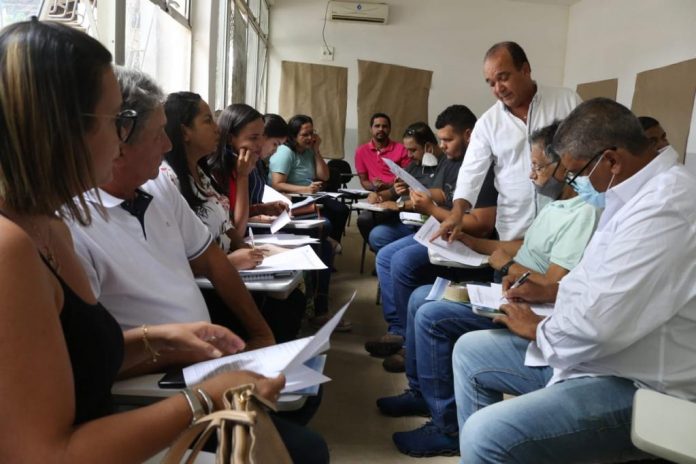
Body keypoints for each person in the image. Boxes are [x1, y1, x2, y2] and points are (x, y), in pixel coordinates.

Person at [0, 19, 293, 463]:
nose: (124, 141)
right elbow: (45, 453)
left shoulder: (51, 228)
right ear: (64, 128)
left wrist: (159, 337)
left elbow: (79, 362)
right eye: (117, 121)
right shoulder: (11, 248)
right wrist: (206, 397)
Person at [452, 98, 696, 463]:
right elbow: (600, 281)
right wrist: (552, 291)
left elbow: (600, 325)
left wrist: (539, 330)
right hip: (597, 353)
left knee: (487, 435)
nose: (575, 183)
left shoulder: (667, 206)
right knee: (470, 352)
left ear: (611, 160)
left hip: (641, 383)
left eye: (578, 173)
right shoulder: (631, 192)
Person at [378, 122, 601, 457]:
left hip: (526, 303)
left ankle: (448, 429)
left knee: (432, 315)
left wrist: (504, 264)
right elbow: (518, 246)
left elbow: (555, 284)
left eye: (538, 167)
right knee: (417, 297)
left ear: (564, 165)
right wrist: (470, 240)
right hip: (507, 287)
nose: (532, 175)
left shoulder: (584, 212)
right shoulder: (557, 206)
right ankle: (421, 392)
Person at [69, 68, 276, 350]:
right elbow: (90, 359)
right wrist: (197, 355)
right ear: (120, 142)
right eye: (158, 136)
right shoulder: (71, 222)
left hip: (197, 357)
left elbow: (214, 262)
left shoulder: (159, 187)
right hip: (153, 379)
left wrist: (261, 335)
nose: (167, 145)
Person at [162, 94, 305, 343]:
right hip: (208, 283)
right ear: (185, 131)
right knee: (282, 309)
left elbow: (228, 227)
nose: (216, 127)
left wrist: (244, 248)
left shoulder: (202, 174)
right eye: (207, 120)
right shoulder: (170, 179)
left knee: (292, 300)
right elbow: (178, 256)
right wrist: (230, 259)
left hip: (229, 269)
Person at [366, 105, 497, 371]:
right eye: (441, 139)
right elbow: (447, 197)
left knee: (401, 261)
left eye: (448, 139)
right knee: (386, 255)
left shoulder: (481, 166)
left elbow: (480, 226)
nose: (442, 146)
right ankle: (400, 330)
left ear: (469, 135)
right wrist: (421, 197)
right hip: (446, 228)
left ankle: (408, 344)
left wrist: (429, 208)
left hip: (468, 239)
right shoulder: (453, 161)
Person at [436, 41, 581, 245]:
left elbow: (587, 156)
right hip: (514, 231)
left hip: (565, 227)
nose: (498, 89)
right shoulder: (488, 123)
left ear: (525, 69)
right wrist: (457, 212)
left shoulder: (566, 101)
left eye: (503, 78)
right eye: (491, 83)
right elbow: (471, 173)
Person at [269, 114, 350, 246]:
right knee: (327, 221)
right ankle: (328, 244)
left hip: (308, 195)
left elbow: (325, 176)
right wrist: (305, 189)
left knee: (342, 210)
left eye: (312, 133)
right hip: (290, 197)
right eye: (305, 135)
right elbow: (276, 184)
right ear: (294, 136)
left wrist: (316, 150)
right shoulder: (285, 152)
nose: (310, 138)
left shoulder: (309, 151)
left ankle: (331, 245)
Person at [362, 122, 444, 251]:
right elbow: (393, 191)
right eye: (407, 150)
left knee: (394, 253)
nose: (409, 155)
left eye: (413, 150)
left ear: (428, 147)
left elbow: (438, 198)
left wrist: (400, 205)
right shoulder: (414, 165)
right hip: (410, 221)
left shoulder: (445, 166)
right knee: (376, 235)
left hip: (431, 223)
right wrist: (378, 196)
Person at [355, 112, 410, 243]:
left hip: (398, 192)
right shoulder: (361, 151)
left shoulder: (401, 149)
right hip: (375, 194)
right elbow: (364, 181)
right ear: (371, 129)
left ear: (389, 129)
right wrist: (373, 186)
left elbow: (407, 179)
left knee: (385, 218)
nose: (381, 129)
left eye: (384, 126)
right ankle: (376, 246)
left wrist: (388, 185)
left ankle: (383, 243)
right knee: (363, 220)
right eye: (377, 126)